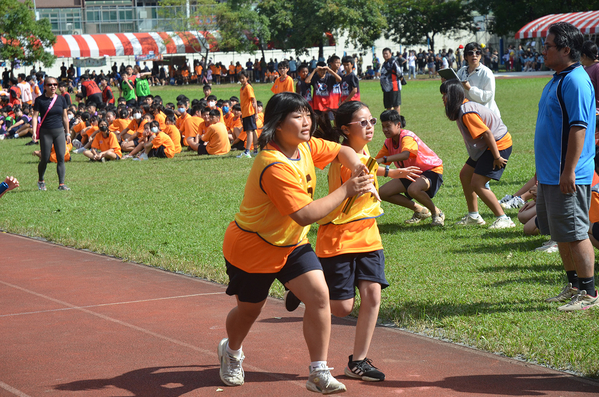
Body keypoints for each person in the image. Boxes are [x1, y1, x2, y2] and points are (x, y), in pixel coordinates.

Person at [219, 92, 374, 393]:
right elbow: (305, 214)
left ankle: (318, 372)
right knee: (249, 311)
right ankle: (232, 350)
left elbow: (342, 150)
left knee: (319, 296)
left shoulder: (305, 146)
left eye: (307, 114)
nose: (307, 121)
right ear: (277, 125)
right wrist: (347, 188)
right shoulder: (273, 164)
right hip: (253, 248)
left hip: (291, 244)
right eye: (297, 116)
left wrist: (356, 165)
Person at [285, 101, 420, 383]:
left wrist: (389, 172)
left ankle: (358, 361)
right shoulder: (340, 155)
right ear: (346, 130)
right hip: (339, 234)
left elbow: (367, 165)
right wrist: (377, 176)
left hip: (368, 232)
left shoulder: (362, 148)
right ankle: (302, 287)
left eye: (372, 121)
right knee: (342, 308)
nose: (371, 127)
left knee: (373, 294)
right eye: (364, 123)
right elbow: (359, 168)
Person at [535, 22, 598, 311]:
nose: (543, 51)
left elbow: (578, 128)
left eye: (548, 46)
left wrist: (568, 170)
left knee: (576, 232)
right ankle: (573, 285)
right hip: (551, 174)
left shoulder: (576, 81)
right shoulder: (558, 79)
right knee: (561, 233)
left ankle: (588, 294)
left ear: (565, 49)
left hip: (567, 174)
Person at [440, 79, 515, 229]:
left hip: (497, 146)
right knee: (465, 175)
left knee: (477, 183)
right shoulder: (462, 107)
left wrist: (496, 157)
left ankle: (504, 219)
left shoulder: (466, 112)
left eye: (445, 95)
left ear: (454, 95)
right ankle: (474, 215)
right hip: (486, 148)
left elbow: (487, 134)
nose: (443, 99)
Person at [376, 110, 445, 226]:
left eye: (388, 126)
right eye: (383, 127)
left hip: (431, 170)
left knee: (413, 189)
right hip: (410, 173)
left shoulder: (407, 136)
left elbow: (405, 154)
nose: (385, 130)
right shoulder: (388, 142)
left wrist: (384, 159)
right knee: (382, 193)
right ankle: (420, 211)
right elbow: (376, 161)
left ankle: (437, 213)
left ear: (398, 125)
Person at [32, 77, 71, 191]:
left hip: (59, 131)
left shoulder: (61, 99)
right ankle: (41, 180)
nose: (53, 86)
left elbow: (65, 117)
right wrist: (34, 132)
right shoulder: (40, 100)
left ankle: (61, 184)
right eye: (50, 84)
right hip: (46, 132)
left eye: (55, 84)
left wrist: (68, 133)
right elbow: (35, 117)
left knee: (61, 157)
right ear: (45, 87)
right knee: (45, 158)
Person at [456, 42, 501, 117]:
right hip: (469, 114)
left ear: (481, 56)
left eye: (478, 53)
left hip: (487, 116)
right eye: (470, 53)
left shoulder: (486, 73)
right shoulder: (462, 71)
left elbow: (487, 96)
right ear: (466, 57)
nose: (474, 55)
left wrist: (470, 89)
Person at [237, 70, 257, 158]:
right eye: (240, 78)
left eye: (243, 78)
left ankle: (247, 151)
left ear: (247, 78)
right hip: (245, 113)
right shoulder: (242, 89)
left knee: (249, 132)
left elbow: (254, 100)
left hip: (250, 112)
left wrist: (256, 113)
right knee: (252, 131)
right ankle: (255, 150)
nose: (241, 80)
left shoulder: (248, 87)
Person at [380, 48, 403, 114]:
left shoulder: (393, 62)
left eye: (386, 53)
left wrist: (401, 79)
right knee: (388, 105)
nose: (385, 55)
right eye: (384, 54)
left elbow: (399, 72)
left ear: (390, 54)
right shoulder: (384, 63)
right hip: (386, 88)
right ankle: (390, 119)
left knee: (395, 104)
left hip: (394, 86)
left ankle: (397, 118)